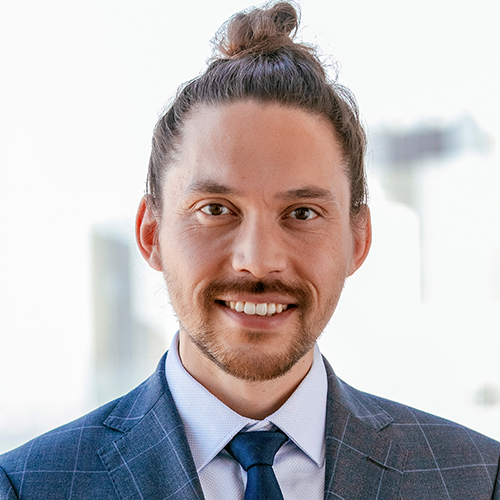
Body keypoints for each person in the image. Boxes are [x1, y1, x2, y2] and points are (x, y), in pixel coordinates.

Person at [1, 2, 499, 499]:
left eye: (302, 213)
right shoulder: (26, 487)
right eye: (216, 209)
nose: (258, 261)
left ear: (359, 239)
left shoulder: (479, 479)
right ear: (151, 234)